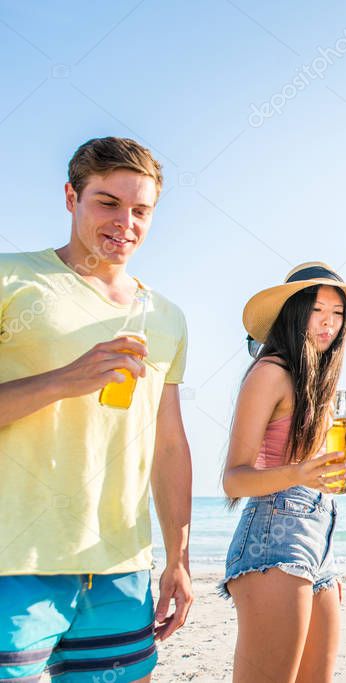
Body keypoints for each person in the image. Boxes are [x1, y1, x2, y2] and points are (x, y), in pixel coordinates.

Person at [0, 137, 192, 682]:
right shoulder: (11, 279)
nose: (124, 222)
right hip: (13, 560)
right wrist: (65, 380)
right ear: (71, 197)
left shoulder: (168, 316)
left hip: (119, 568)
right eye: (107, 202)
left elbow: (170, 443)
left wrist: (176, 557)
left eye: (141, 210)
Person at [220, 262, 346, 683]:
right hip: (274, 531)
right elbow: (234, 479)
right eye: (317, 310)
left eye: (337, 313)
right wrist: (299, 472)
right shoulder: (270, 372)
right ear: (294, 313)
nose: (328, 322)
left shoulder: (316, 381)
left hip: (319, 535)